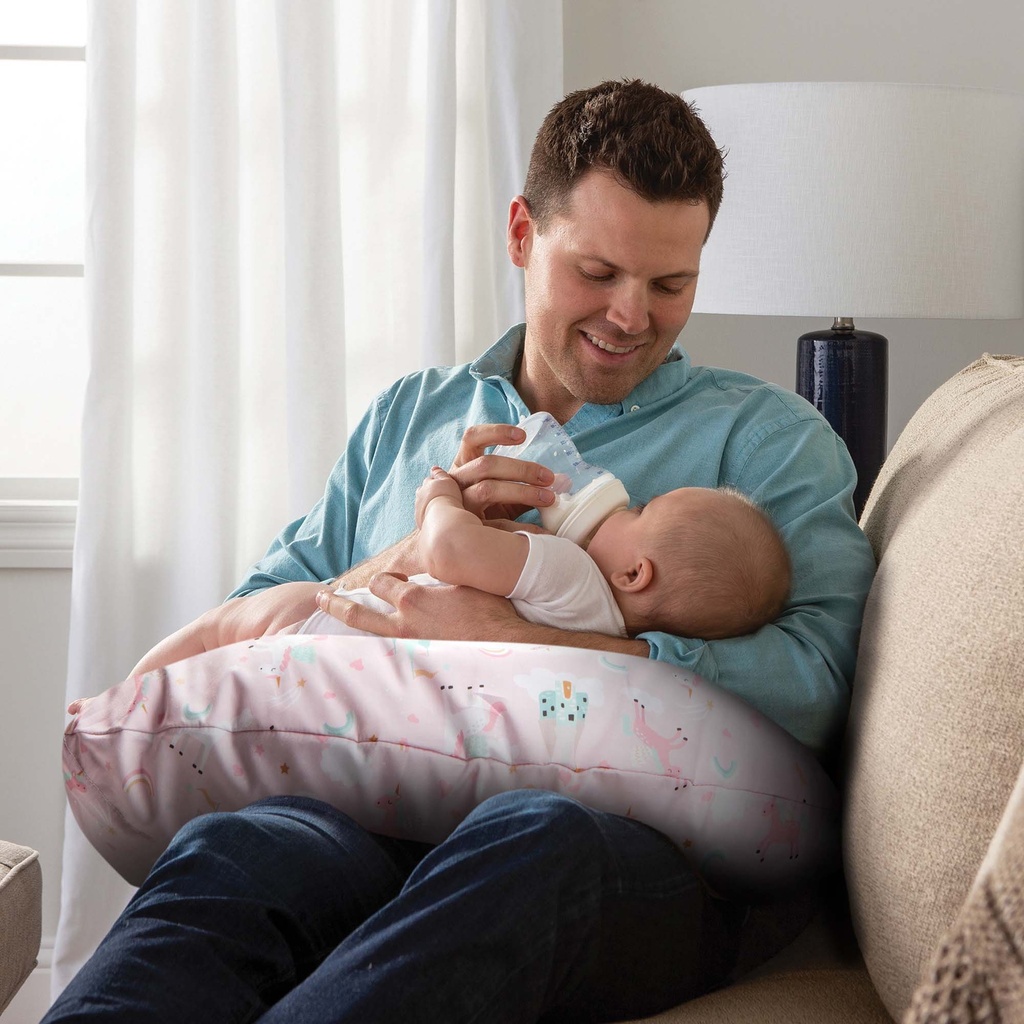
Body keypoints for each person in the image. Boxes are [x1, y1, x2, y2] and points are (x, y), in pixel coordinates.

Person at [45, 79, 876, 1023]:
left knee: (532, 839)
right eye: (598, 273)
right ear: (523, 234)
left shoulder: (766, 443)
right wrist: (408, 554)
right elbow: (264, 618)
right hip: (367, 816)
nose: (632, 315)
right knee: (235, 855)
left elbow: (821, 682)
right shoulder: (412, 417)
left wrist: (538, 643)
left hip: (624, 850)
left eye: (670, 284)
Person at [133, 468, 791, 674]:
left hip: (324, 631)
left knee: (227, 625)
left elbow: (448, 553)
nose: (628, 498)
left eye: (641, 508)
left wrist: (440, 500)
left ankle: (129, 693)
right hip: (343, 662)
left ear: (635, 574)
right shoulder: (594, 621)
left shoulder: (568, 571)